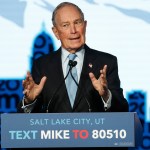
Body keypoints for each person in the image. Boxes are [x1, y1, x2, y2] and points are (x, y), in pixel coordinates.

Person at [17, 2, 128, 149]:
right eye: (65, 25)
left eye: (77, 22)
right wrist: (30, 100)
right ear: (56, 32)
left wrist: (106, 95)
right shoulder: (42, 65)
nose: (73, 30)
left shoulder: (106, 62)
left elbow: (122, 109)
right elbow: (28, 121)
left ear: (85, 25)